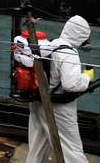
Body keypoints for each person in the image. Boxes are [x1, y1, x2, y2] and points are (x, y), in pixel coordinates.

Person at [27, 15, 94, 163]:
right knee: (72, 150)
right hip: (58, 107)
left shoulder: (51, 43)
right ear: (82, 36)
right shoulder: (69, 53)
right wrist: (87, 77)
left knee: (38, 148)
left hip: (38, 102)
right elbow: (71, 84)